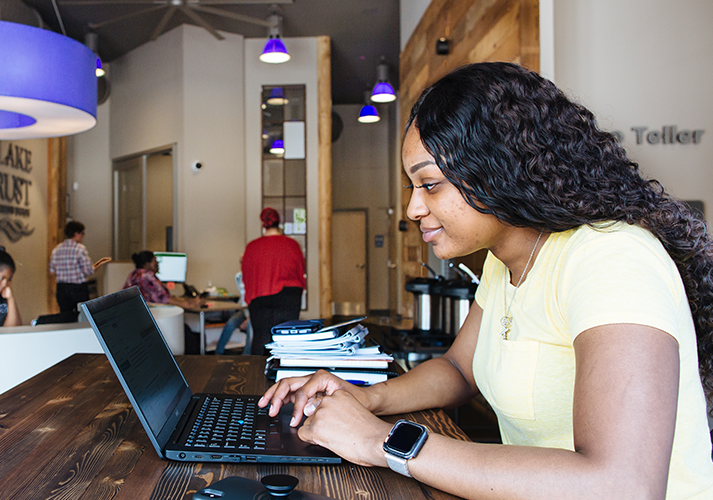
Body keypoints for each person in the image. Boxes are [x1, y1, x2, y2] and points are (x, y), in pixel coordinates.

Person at [260, 62, 713, 499]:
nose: (414, 209)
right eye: (412, 187)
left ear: (499, 170)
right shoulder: (504, 260)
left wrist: (381, 441)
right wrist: (365, 398)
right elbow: (459, 370)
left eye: (431, 184)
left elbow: (623, 487)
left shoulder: (611, 259)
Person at [241, 208, 306, 355]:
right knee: (287, 340)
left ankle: (257, 375)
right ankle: (287, 375)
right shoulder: (292, 245)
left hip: (260, 296)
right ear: (279, 223)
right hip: (289, 296)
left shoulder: (252, 247)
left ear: (263, 224)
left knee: (261, 338)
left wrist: (250, 299)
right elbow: (301, 272)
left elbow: (247, 276)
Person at [49, 220, 111, 314]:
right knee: (82, 315)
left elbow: (52, 272)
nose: (83, 236)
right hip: (78, 288)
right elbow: (88, 270)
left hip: (62, 288)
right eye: (82, 233)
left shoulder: (56, 249)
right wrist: (100, 263)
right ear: (76, 233)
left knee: (65, 316)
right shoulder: (80, 249)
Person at [215, 271, 250, 355]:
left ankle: (247, 356)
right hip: (244, 310)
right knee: (230, 323)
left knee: (250, 327)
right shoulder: (239, 277)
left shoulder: (257, 277)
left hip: (254, 311)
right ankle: (218, 353)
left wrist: (248, 318)